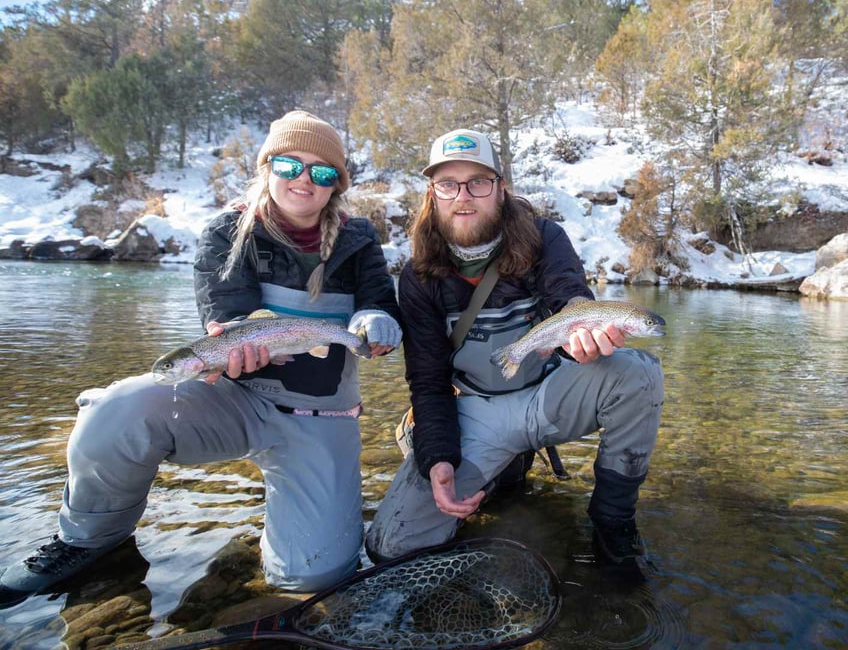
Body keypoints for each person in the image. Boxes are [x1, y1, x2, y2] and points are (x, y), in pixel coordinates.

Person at [0, 110, 402, 606]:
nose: (304, 179)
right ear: (266, 167)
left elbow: (379, 301)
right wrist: (234, 344)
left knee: (312, 580)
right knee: (115, 413)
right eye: (288, 164)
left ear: (335, 184)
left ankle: (292, 536)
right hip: (235, 400)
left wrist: (376, 322)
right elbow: (226, 314)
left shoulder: (360, 240)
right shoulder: (225, 232)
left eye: (321, 172)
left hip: (323, 416)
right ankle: (91, 541)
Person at [365, 128, 664, 571]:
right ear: (433, 194)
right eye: (448, 184)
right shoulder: (418, 277)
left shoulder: (545, 237)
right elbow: (427, 383)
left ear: (500, 190)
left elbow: (569, 293)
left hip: (551, 395)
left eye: (478, 182)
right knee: (389, 549)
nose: (463, 196)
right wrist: (438, 459)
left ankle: (613, 520)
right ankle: (500, 468)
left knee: (638, 371)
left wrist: (583, 327)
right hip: (476, 412)